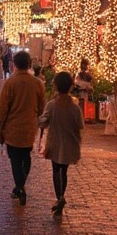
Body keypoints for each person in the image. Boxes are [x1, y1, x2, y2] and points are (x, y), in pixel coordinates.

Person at [0, 49, 46, 207]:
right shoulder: (37, 83)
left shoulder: (10, 83)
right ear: (29, 64)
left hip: (13, 129)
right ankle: (20, 187)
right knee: (26, 157)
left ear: (14, 64)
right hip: (29, 128)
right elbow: (41, 108)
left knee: (15, 160)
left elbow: (2, 110)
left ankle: (20, 187)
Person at [39, 71, 84, 215]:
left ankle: (59, 197)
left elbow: (43, 122)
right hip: (70, 144)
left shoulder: (52, 105)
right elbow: (80, 125)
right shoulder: (75, 108)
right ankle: (61, 197)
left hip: (55, 143)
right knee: (64, 171)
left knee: (55, 170)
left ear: (56, 86)